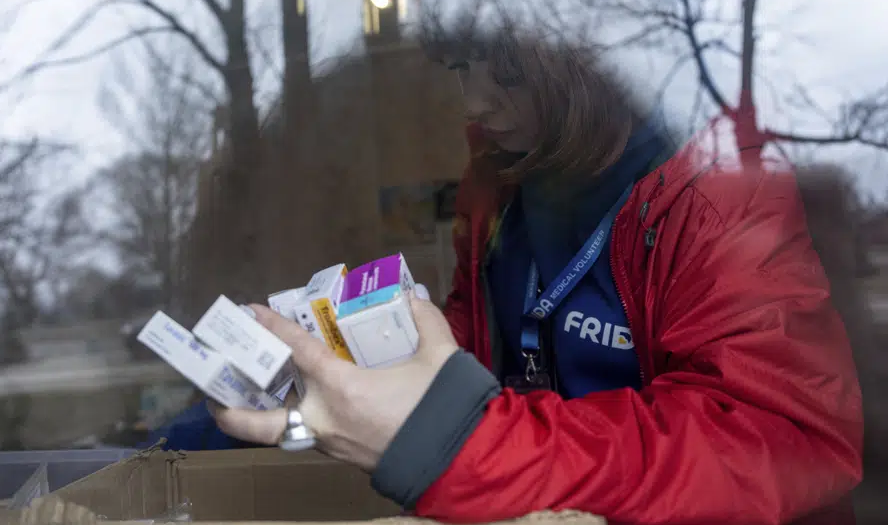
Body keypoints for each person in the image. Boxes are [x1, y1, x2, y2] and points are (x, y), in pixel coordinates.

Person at [213, 32, 864, 524]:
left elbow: (779, 440)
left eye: (508, 69)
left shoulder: (721, 194)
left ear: (589, 52)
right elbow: (483, 333)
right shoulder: (498, 174)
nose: (473, 99)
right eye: (461, 66)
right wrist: (359, 360)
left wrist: (458, 443)